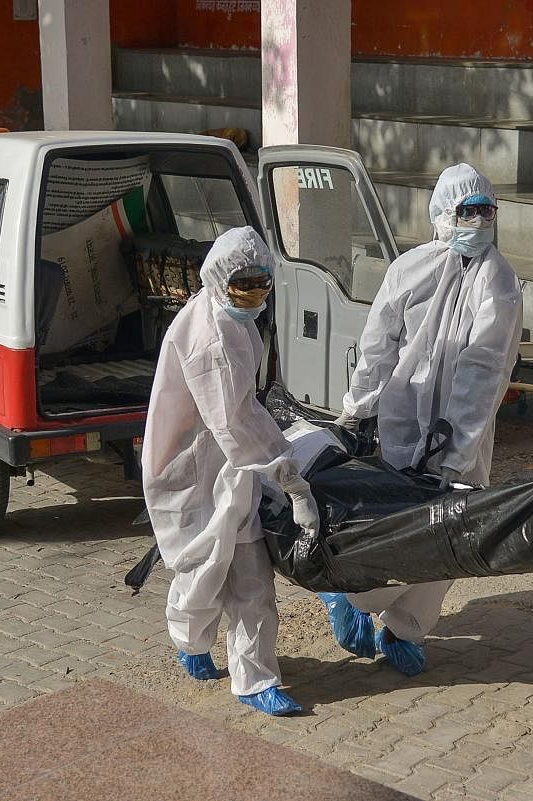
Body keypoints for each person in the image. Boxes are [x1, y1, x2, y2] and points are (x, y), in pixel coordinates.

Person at [324, 163, 523, 677]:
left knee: (452, 536)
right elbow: (377, 344)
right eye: (466, 211)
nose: (477, 222)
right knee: (400, 528)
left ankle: (404, 626)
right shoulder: (409, 269)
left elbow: (484, 369)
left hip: (465, 436)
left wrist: (455, 451)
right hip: (402, 421)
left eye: (485, 211)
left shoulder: (497, 281)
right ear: (441, 214)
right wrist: (357, 407)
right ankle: (354, 596)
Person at [141, 226, 319, 716]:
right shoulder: (209, 337)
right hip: (190, 471)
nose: (254, 294)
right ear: (218, 280)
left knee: (249, 576)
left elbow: (242, 416)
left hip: (228, 468)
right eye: (244, 284)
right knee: (201, 572)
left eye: (262, 284)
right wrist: (291, 480)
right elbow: (235, 423)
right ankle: (189, 636)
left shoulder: (232, 319)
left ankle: (254, 678)